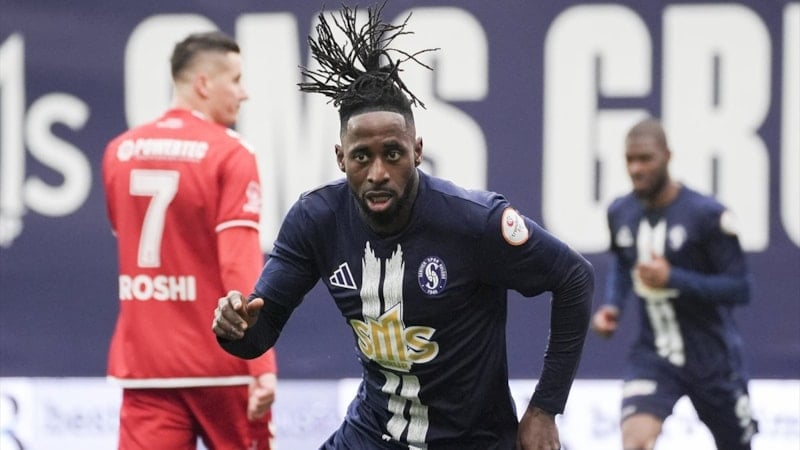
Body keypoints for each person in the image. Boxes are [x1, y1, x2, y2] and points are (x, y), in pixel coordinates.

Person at [212, 4, 593, 450]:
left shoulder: (474, 221)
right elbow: (259, 333)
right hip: (372, 435)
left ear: (417, 151)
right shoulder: (316, 220)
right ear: (341, 158)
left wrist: (545, 407)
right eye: (362, 157)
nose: (378, 173)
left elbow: (574, 277)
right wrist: (234, 329)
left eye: (392, 154)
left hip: (473, 441)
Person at [102, 30, 277, 450]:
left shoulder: (119, 152)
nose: (244, 93)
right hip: (225, 366)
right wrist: (261, 361)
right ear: (203, 83)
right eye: (236, 80)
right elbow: (238, 265)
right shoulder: (231, 153)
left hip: (147, 367)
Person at [591, 118, 758, 450]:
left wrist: (673, 279)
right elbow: (623, 263)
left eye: (645, 159)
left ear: (667, 156)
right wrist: (613, 305)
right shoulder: (620, 212)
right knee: (636, 441)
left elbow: (740, 288)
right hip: (654, 354)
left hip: (712, 359)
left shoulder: (707, 214)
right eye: (629, 160)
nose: (636, 169)